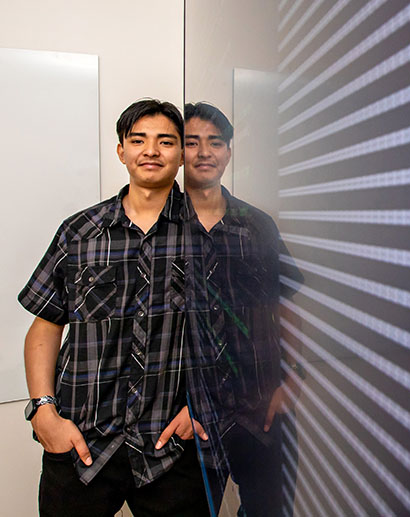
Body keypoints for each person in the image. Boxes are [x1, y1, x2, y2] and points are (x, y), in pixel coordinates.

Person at [19, 99, 210, 516]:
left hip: (173, 447)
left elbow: (239, 332)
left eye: (166, 141)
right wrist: (43, 412)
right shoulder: (80, 231)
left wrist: (204, 410)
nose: (151, 151)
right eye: (138, 140)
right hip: (81, 444)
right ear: (121, 150)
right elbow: (46, 325)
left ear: (182, 154)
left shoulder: (210, 234)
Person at [182, 102, 304, 517]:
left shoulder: (257, 225)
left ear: (229, 151)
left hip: (261, 409)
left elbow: (285, 304)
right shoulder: (160, 229)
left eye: (215, 142)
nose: (204, 152)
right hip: (189, 417)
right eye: (191, 142)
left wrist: (292, 380)